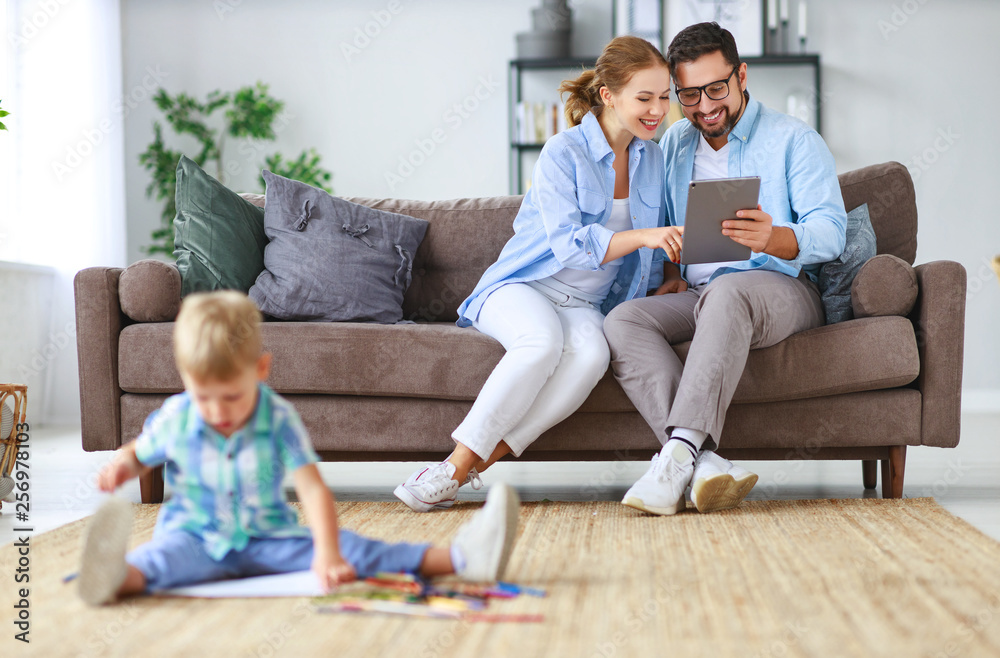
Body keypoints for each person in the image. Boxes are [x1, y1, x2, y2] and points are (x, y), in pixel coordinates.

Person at [77, 291, 520, 606]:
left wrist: (326, 552)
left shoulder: (279, 418)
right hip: (193, 539)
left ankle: (463, 557)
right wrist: (121, 466)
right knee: (156, 561)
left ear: (261, 369)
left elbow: (312, 491)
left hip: (270, 541)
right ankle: (116, 577)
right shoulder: (177, 415)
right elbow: (139, 452)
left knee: (357, 551)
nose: (217, 411)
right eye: (203, 396)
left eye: (231, 396)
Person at [394, 36, 684, 512]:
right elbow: (568, 244)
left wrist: (670, 270)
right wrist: (644, 238)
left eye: (664, 97)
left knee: (591, 356)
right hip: (526, 286)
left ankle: (472, 470)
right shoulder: (562, 152)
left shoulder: (653, 158)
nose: (658, 110)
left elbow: (667, 221)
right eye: (645, 98)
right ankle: (449, 467)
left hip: (587, 306)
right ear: (609, 95)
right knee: (542, 342)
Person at [604, 22, 848, 516]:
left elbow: (831, 231)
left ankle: (673, 459)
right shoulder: (672, 144)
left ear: (741, 76)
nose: (705, 106)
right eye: (689, 94)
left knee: (731, 290)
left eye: (716, 88)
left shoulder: (793, 139)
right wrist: (670, 273)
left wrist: (776, 237)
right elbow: (667, 226)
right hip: (699, 294)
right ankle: (703, 462)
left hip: (780, 287)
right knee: (622, 321)